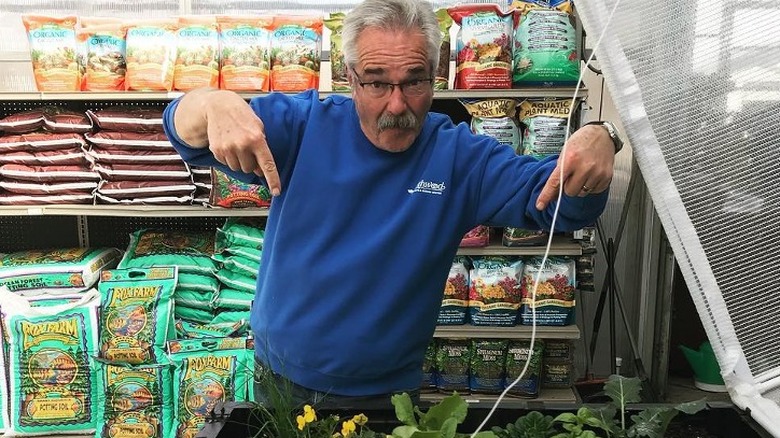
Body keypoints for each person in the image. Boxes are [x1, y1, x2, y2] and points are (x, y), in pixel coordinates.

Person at [163, 0, 618, 410]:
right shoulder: (302, 127)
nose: (397, 105)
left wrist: (601, 138)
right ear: (350, 76)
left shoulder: (460, 158)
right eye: (377, 83)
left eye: (414, 81)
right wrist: (211, 102)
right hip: (280, 378)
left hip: (389, 393)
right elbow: (183, 135)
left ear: (435, 73)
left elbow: (562, 206)